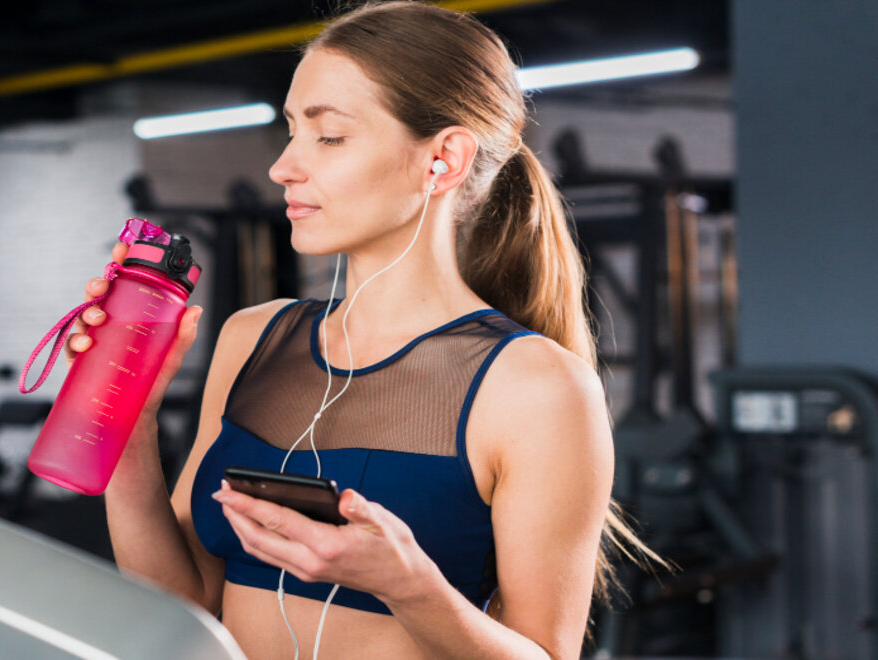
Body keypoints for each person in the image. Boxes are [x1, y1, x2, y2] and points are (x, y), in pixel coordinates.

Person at [69, 2, 655, 657]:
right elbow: (184, 608)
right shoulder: (252, 340)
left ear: (442, 159)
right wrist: (128, 431)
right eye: (290, 131)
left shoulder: (536, 387)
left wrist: (407, 587)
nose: (283, 166)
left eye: (327, 136)